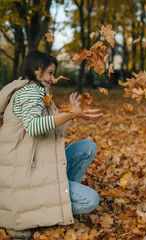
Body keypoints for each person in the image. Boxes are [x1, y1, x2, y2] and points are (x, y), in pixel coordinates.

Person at [0, 50, 103, 238]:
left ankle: (55, 201)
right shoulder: (30, 91)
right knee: (91, 200)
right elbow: (32, 126)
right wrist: (70, 114)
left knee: (87, 147)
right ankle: (43, 210)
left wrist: (71, 112)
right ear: (37, 70)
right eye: (50, 73)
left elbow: (55, 136)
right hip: (25, 177)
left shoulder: (36, 92)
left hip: (35, 168)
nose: (52, 79)